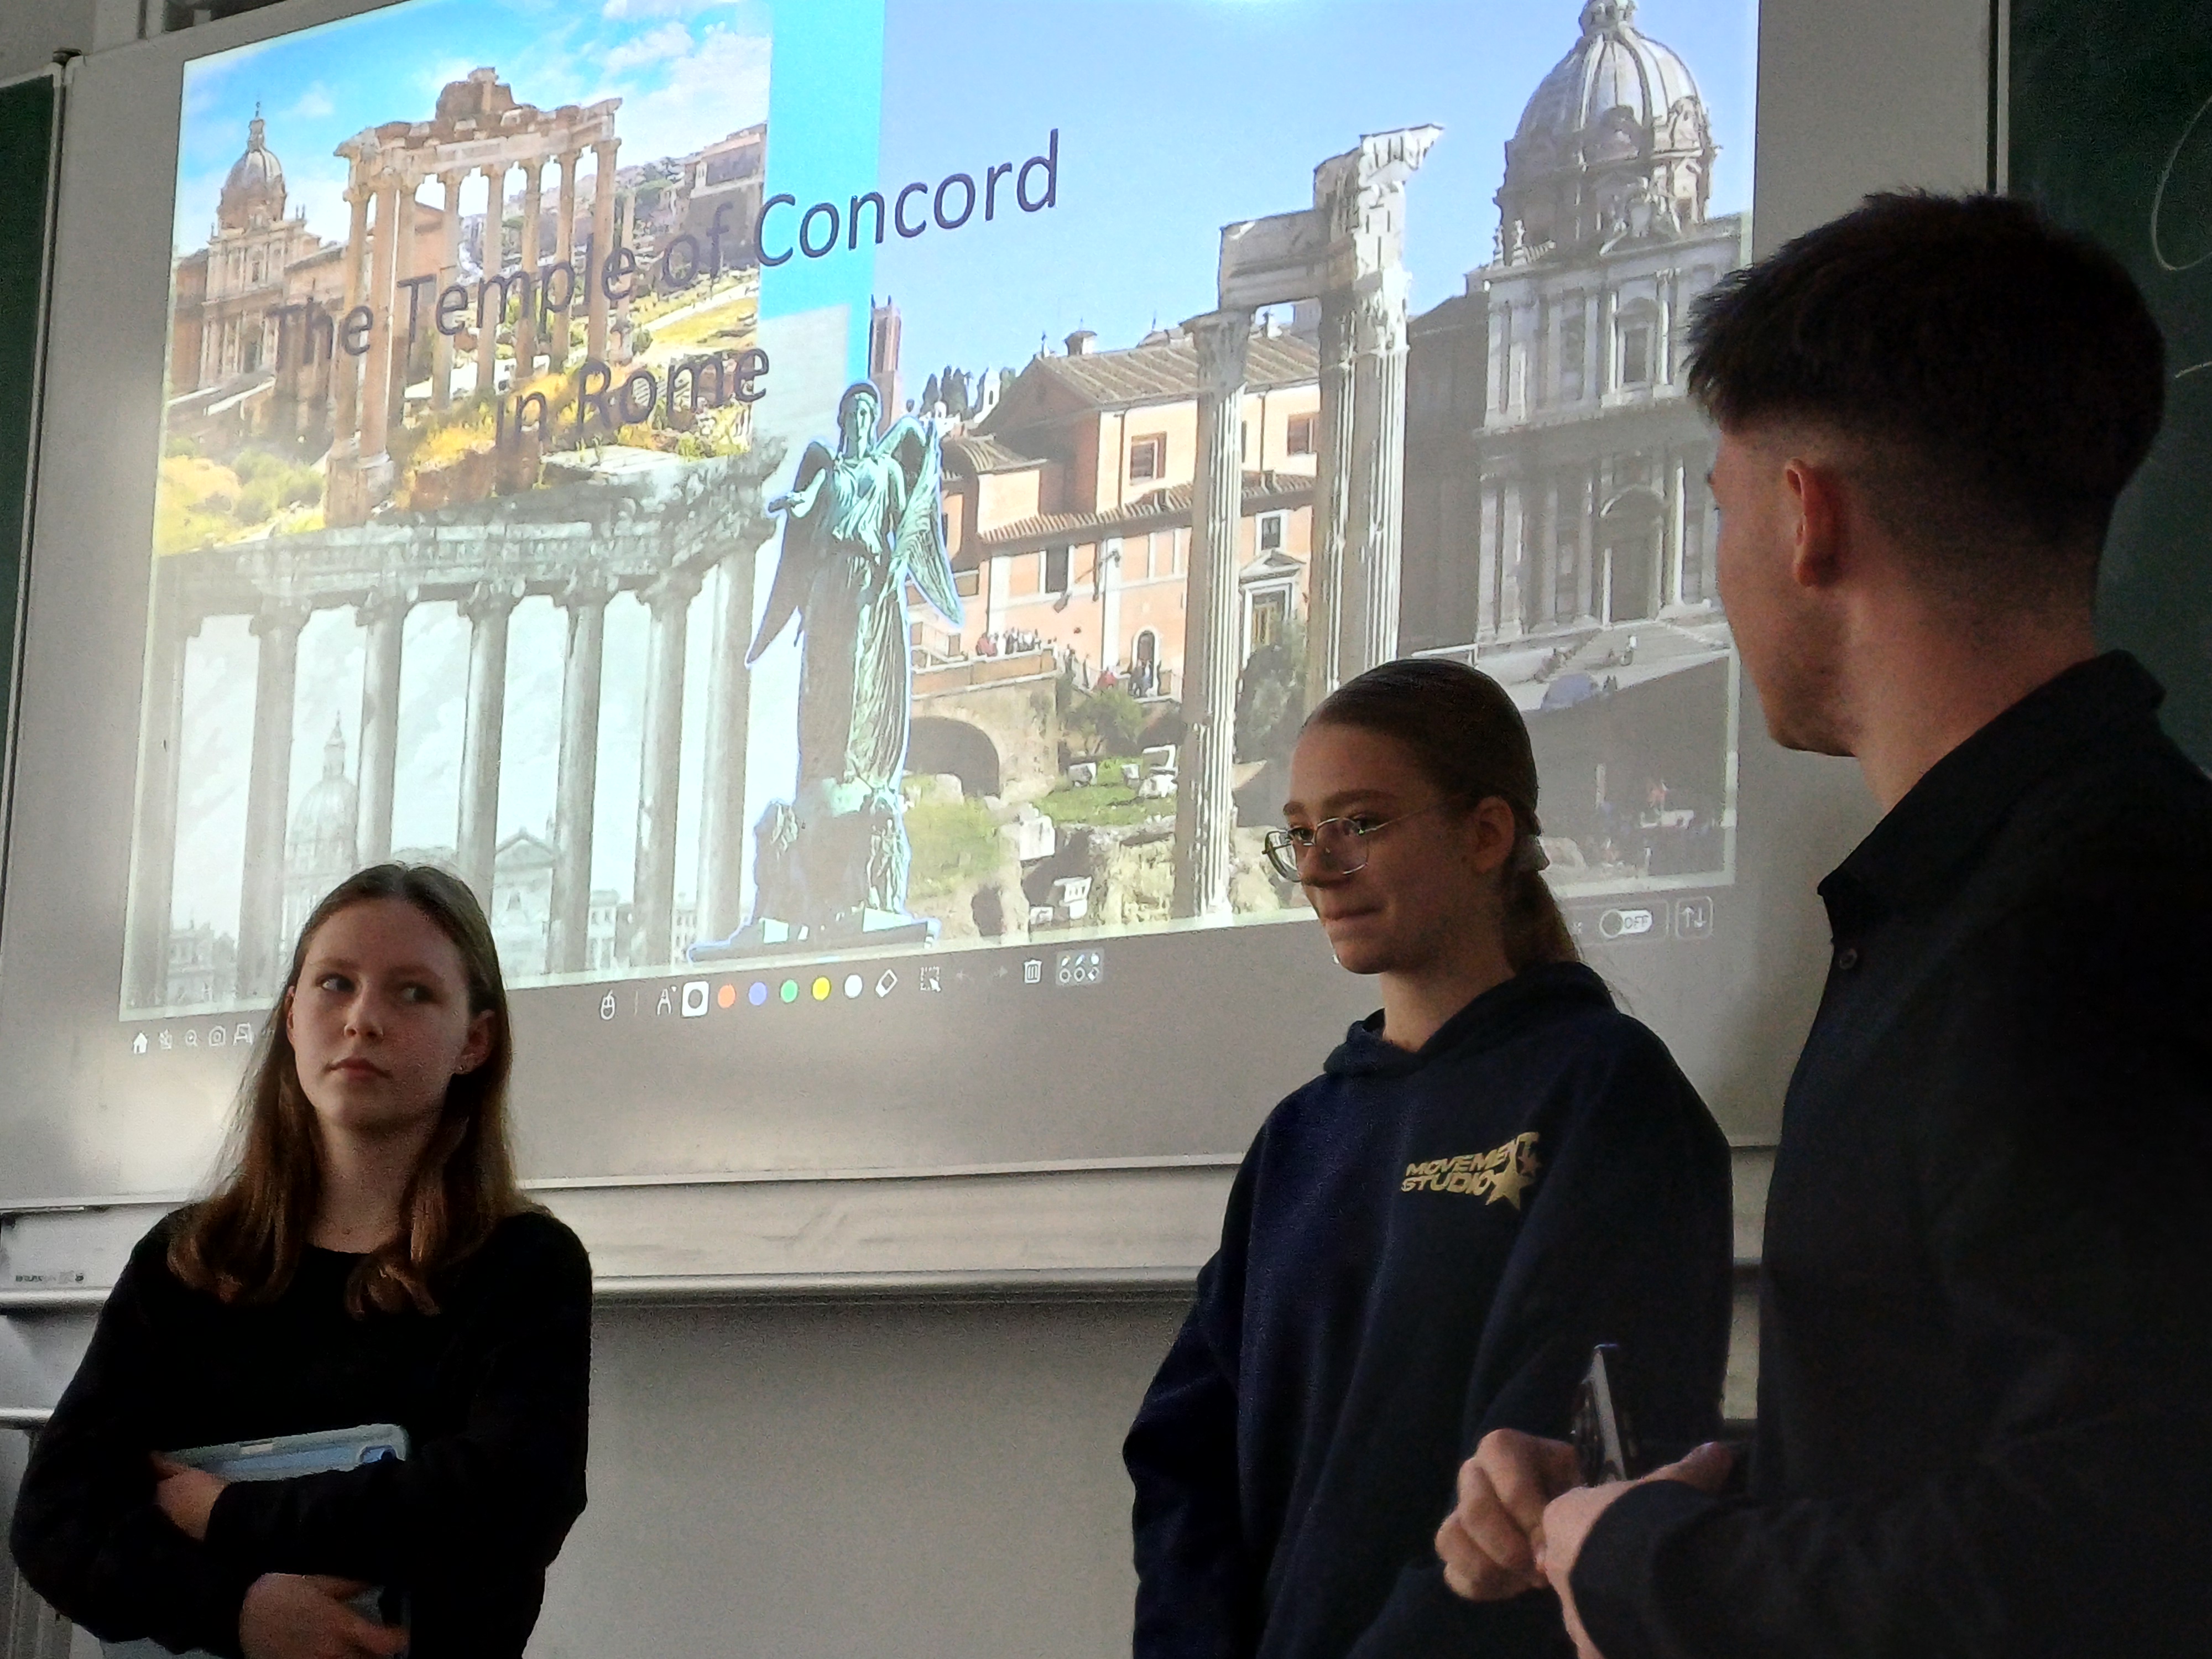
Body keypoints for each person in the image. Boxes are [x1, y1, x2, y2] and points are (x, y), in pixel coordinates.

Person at [1436, 191, 2212, 1658]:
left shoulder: (2063, 938)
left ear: (1806, 519)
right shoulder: (2030, 888)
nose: (1718, 562)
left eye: (1719, 508)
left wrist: (1652, 1571)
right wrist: (1681, 1497)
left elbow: (2118, 1545)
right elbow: (2020, 1433)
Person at [1125, 659, 1734, 1659]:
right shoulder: (1300, 1137)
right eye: (1301, 833)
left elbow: (1553, 1481)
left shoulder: (1605, 1094)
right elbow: (1185, 1454)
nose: (1319, 866)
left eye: (1360, 823)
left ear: (1486, 835)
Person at [10, 864, 591, 1659]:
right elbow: (55, 1517)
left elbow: (509, 1500)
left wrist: (227, 1515)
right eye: (335, 984)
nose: (363, 1020)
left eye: (412, 992)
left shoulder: (524, 1265)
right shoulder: (189, 1260)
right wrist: (237, 1612)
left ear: (475, 1041)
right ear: (291, 1015)